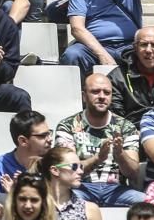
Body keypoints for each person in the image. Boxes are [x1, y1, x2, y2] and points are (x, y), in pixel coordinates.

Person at [53, 73, 144, 207]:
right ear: (84, 96)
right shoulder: (67, 126)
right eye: (95, 92)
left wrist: (120, 155)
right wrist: (98, 159)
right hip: (80, 187)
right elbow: (67, 170)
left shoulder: (126, 127)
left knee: (150, 204)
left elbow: (134, 173)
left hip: (117, 189)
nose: (102, 96)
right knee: (59, 203)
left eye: (107, 93)